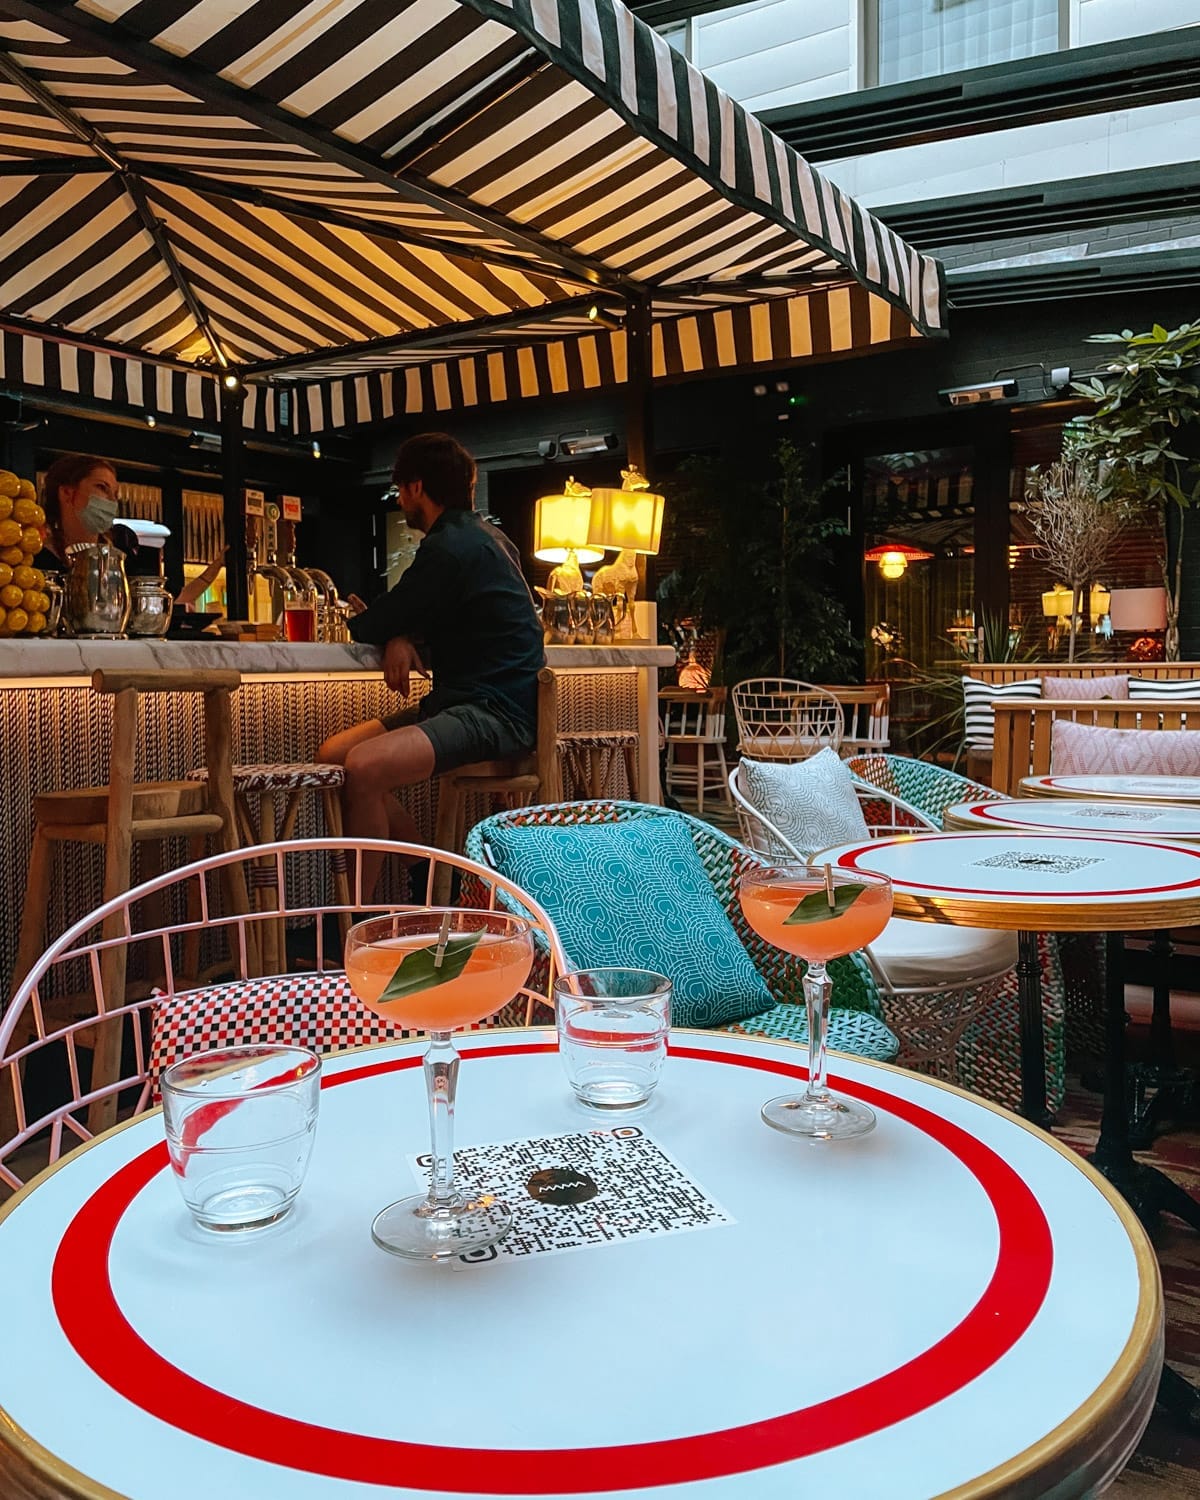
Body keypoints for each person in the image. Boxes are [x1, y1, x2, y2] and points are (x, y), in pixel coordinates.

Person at [319, 432, 545, 897]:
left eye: (399, 489)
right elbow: (431, 615)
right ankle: (426, 872)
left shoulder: (449, 548)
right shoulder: (490, 539)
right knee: (334, 756)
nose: (400, 499)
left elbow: (372, 622)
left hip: (495, 714)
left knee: (363, 767)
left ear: (416, 488)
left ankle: (353, 924)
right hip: (466, 702)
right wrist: (400, 633)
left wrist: (392, 629)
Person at [35, 453, 222, 609]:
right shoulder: (37, 557)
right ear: (67, 493)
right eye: (102, 488)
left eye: (115, 494)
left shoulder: (121, 554)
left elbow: (173, 599)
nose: (111, 500)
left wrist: (217, 565)